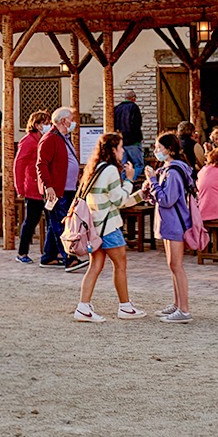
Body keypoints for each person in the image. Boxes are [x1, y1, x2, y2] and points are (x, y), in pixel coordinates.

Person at [72, 132, 143, 321]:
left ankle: (83, 306)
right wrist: (129, 180)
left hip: (95, 226)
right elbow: (119, 200)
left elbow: (112, 199)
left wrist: (139, 195)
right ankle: (125, 306)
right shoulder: (111, 170)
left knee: (95, 265)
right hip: (108, 226)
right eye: (120, 148)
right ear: (113, 150)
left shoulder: (95, 167)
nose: (122, 152)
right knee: (120, 265)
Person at [143, 132, 194, 323]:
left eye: (159, 147)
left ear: (170, 150)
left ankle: (184, 309)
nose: (156, 151)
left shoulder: (172, 172)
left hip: (175, 223)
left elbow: (167, 200)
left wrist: (153, 181)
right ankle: (177, 303)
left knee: (176, 266)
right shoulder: (167, 169)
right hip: (168, 222)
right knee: (172, 266)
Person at [35, 107, 81, 270]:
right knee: (61, 223)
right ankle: (69, 257)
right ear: (63, 121)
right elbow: (41, 164)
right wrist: (49, 186)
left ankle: (48, 256)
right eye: (71, 118)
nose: (73, 121)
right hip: (56, 190)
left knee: (55, 223)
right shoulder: (50, 138)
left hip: (68, 188)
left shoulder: (64, 137)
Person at [13, 110, 53, 264]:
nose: (48, 126)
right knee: (31, 221)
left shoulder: (45, 139)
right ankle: (22, 252)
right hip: (33, 188)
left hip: (46, 187)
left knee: (51, 220)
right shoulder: (28, 141)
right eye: (45, 123)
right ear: (37, 125)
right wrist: (20, 188)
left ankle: (50, 252)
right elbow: (19, 165)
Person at [115, 90, 145, 182]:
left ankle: (122, 183)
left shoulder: (117, 108)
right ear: (133, 98)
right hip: (133, 141)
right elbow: (137, 124)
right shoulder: (134, 107)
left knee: (124, 165)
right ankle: (130, 181)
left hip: (121, 142)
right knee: (138, 164)